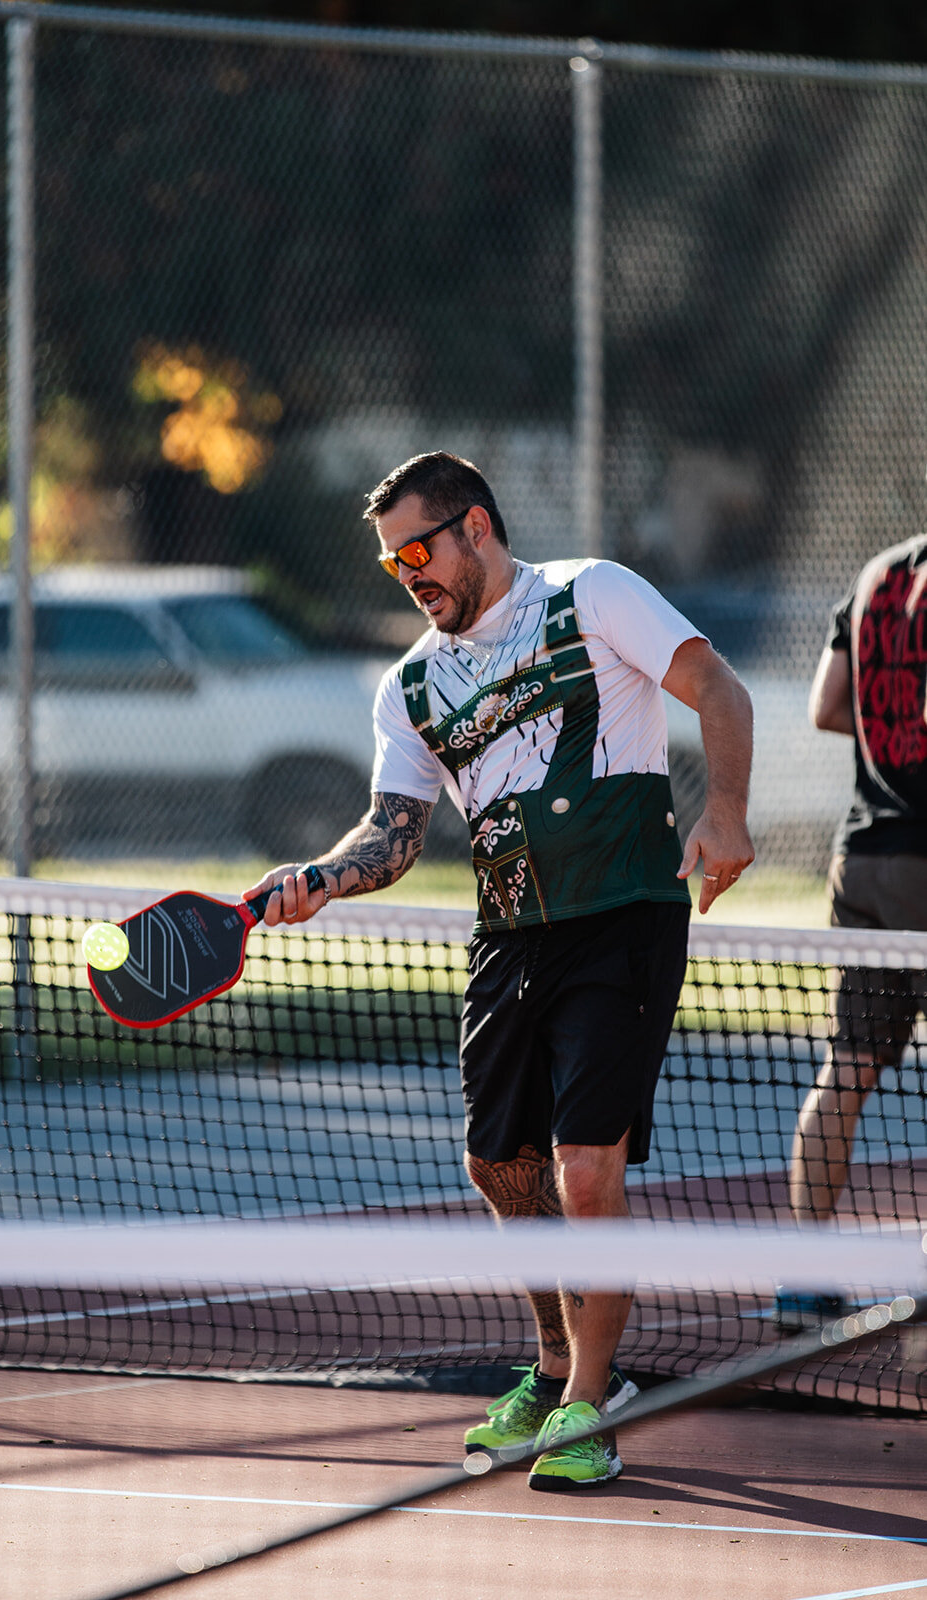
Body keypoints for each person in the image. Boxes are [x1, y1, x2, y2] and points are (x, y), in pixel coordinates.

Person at [244, 451, 754, 1489]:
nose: (409, 575)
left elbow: (717, 687)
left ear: (474, 525)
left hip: (622, 920)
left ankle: (588, 1404)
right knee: (498, 1168)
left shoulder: (589, 595)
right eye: (392, 565)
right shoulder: (412, 685)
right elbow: (390, 832)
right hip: (508, 933)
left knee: (582, 1167)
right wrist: (321, 879)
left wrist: (725, 813)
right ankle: (551, 1358)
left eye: (419, 550)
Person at [776, 529, 927, 1331]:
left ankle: (802, 1278)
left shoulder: (876, 573)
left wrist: (891, 749)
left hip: (861, 856)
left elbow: (827, 707)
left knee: (847, 1070)